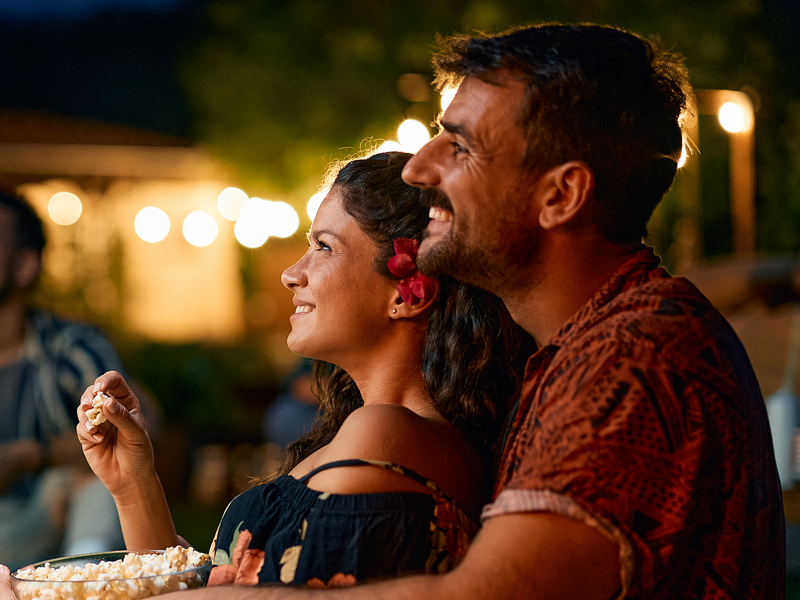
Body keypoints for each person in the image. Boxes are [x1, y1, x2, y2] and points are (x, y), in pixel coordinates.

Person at [0, 22, 784, 599]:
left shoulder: (632, 359)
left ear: (561, 194)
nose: (421, 166)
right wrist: (138, 490)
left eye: (461, 146)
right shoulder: (579, 352)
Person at [47, 152, 527, 587]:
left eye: (323, 247)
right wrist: (134, 485)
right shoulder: (378, 435)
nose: (290, 273)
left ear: (406, 293)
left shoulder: (385, 435)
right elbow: (224, 588)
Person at [0, 191, 125, 569]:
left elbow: (133, 431)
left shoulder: (72, 349)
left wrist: (28, 456)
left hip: (47, 525)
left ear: (24, 265)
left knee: (92, 478)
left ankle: (81, 583)